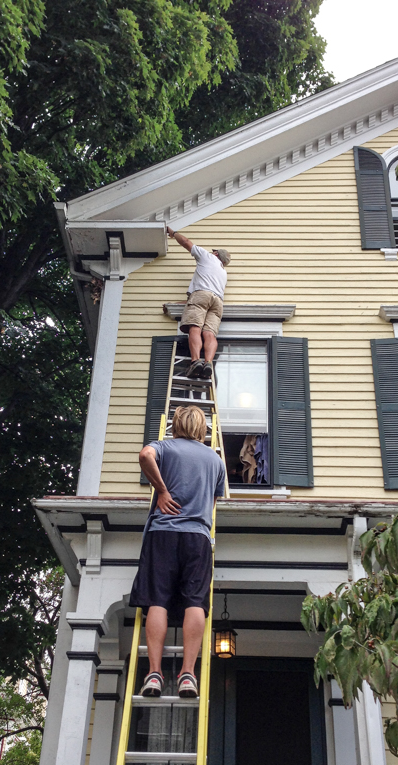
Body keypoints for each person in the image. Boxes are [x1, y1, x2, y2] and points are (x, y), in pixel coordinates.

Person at [130, 405, 226, 698]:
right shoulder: (216, 460)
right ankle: (187, 675)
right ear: (202, 429)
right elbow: (212, 503)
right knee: (194, 601)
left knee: (157, 600)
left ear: (175, 424)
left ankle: (155, 674)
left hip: (163, 533)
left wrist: (161, 490)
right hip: (197, 537)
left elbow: (145, 455)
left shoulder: (164, 447)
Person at [167, 226, 231, 380]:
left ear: (215, 253)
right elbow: (203, 298)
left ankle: (195, 361)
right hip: (217, 302)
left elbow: (187, 242)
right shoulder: (223, 273)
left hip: (202, 296)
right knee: (209, 333)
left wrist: (173, 233)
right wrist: (176, 303)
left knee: (195, 327)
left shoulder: (207, 257)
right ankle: (208, 362)